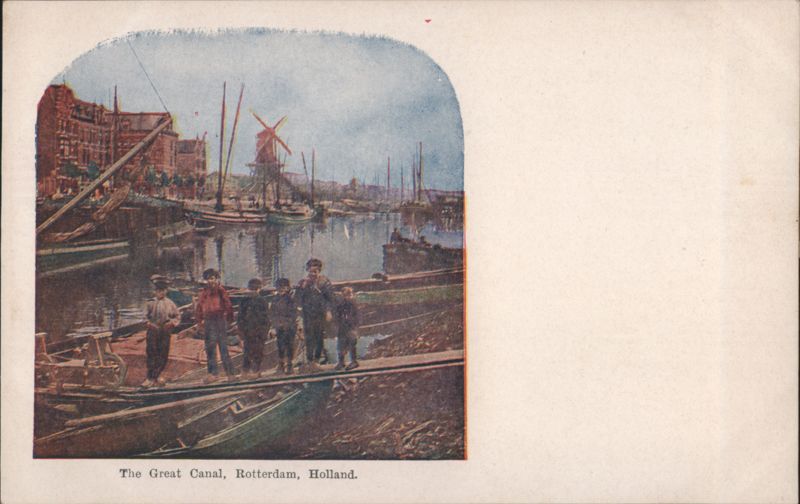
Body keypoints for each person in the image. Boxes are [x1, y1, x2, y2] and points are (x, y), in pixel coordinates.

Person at [195, 268, 236, 382]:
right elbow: (199, 308)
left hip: (219, 321)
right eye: (208, 279)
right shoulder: (204, 293)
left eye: (212, 278)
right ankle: (213, 374)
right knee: (210, 348)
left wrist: (229, 320)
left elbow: (228, 306)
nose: (210, 281)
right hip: (208, 321)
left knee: (223, 348)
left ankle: (231, 374)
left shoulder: (221, 291)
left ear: (216, 279)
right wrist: (199, 322)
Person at [294, 258, 333, 367]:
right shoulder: (303, 283)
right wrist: (302, 287)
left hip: (320, 313)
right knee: (309, 336)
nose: (312, 274)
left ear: (319, 271)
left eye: (315, 272)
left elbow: (329, 299)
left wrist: (328, 311)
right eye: (310, 272)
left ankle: (317, 358)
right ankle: (310, 359)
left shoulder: (324, 282)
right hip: (307, 314)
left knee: (319, 336)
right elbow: (298, 299)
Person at [142, 276, 180, 388]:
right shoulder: (150, 303)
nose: (160, 293)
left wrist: (172, 323)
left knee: (163, 353)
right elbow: (144, 317)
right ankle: (149, 378)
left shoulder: (170, 303)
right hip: (153, 330)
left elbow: (177, 316)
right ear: (155, 291)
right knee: (151, 352)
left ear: (166, 291)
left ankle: (157, 376)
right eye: (158, 291)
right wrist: (149, 324)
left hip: (165, 331)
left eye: (162, 291)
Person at [237, 278, 270, 378]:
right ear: (260, 289)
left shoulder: (245, 300)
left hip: (252, 331)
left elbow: (240, 318)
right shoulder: (262, 301)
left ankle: (248, 371)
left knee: (250, 352)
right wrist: (266, 331)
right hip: (255, 331)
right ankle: (251, 371)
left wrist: (241, 331)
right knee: (255, 352)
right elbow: (266, 319)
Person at [270, 278, 298, 375]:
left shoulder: (291, 299)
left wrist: (286, 324)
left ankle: (290, 365)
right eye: (279, 287)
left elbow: (293, 314)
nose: (281, 289)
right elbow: (272, 314)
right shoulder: (274, 299)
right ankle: (281, 365)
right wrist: (274, 326)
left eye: (283, 287)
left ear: (287, 288)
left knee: (290, 346)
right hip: (279, 327)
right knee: (280, 346)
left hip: (290, 327)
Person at [334, 287, 360, 371]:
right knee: (340, 345)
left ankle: (354, 361)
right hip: (342, 327)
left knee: (352, 343)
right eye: (345, 295)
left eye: (349, 295)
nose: (348, 297)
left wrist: (353, 324)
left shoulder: (353, 304)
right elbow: (337, 314)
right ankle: (341, 362)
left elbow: (357, 317)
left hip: (351, 327)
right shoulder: (341, 304)